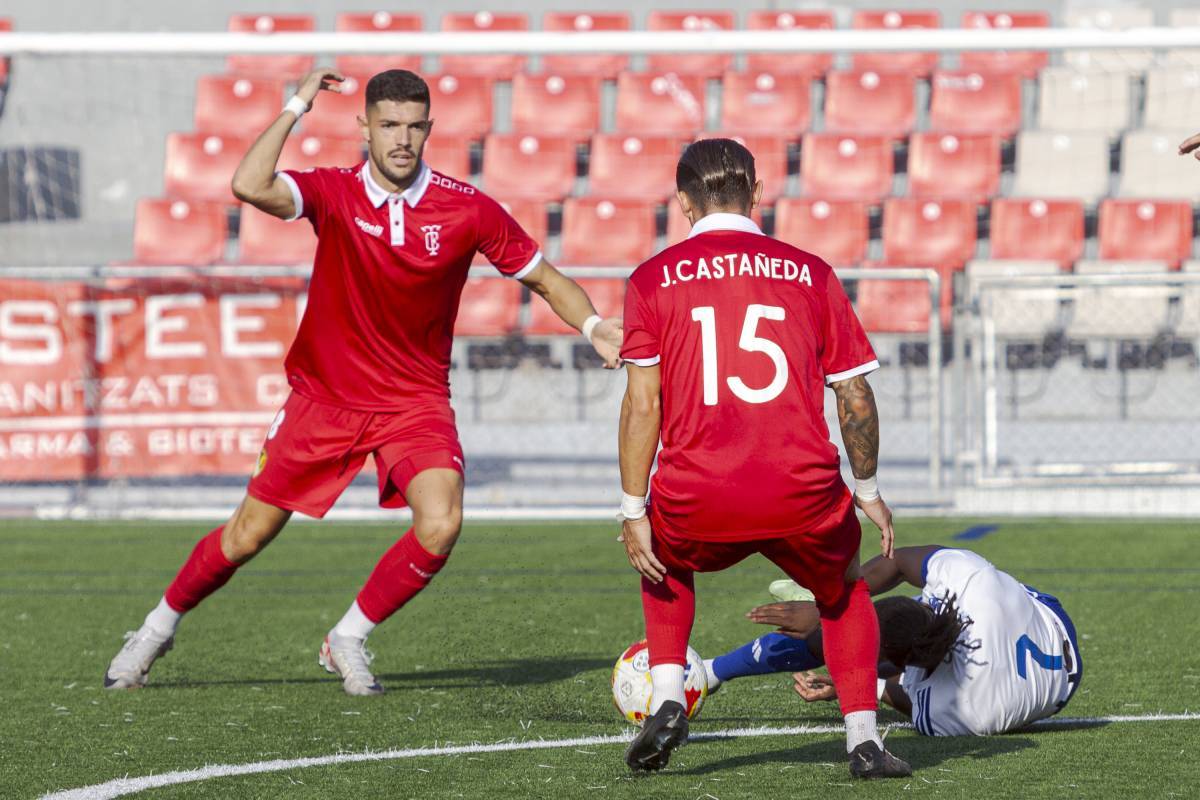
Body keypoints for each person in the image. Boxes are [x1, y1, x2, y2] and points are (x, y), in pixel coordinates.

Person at [104, 68, 622, 696]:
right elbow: (248, 184)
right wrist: (297, 101)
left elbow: (545, 277)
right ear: (365, 128)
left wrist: (593, 324)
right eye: (388, 125)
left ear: (429, 129)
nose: (401, 138)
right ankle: (156, 628)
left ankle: (347, 636)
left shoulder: (467, 206)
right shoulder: (334, 192)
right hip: (325, 399)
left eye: (413, 126)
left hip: (414, 401)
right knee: (246, 536)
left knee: (442, 523)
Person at [616, 138, 909, 779]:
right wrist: (867, 489)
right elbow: (855, 393)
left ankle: (669, 697)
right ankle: (863, 740)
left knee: (659, 561)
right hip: (798, 489)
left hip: (698, 492)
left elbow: (643, 405)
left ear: (684, 205)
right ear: (757, 193)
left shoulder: (650, 280)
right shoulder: (811, 272)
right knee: (845, 594)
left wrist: (632, 508)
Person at [706, 545, 1083, 736]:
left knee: (844, 648)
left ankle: (710, 672)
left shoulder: (952, 711)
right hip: (1051, 633)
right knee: (858, 643)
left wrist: (852, 678)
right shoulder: (966, 579)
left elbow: (898, 693)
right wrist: (832, 604)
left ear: (903, 667)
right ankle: (710, 672)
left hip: (1051, 667)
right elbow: (900, 563)